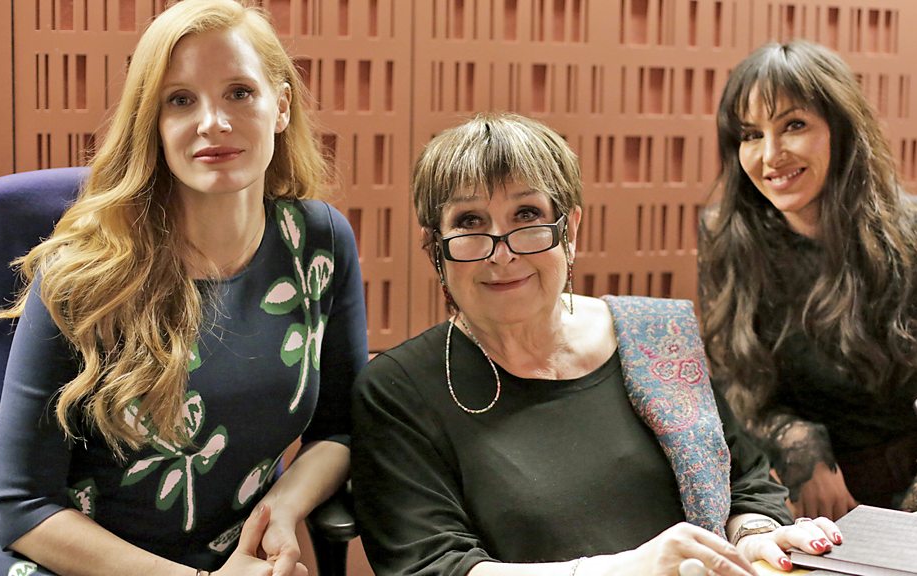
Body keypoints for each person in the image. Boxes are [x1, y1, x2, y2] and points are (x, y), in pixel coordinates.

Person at [351, 112, 840, 576]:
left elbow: (745, 480)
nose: (502, 252)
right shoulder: (398, 391)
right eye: (470, 222)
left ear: (570, 231)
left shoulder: (652, 335)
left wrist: (753, 537)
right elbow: (433, 566)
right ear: (434, 248)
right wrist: (631, 568)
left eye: (527, 214)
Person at [0, 1, 367, 574]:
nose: (213, 122)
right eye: (180, 100)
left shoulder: (319, 244)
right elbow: (24, 509)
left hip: (234, 559)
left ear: (281, 106)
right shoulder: (82, 273)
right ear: (154, 123)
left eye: (239, 92)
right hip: (75, 561)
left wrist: (280, 512)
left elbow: (338, 430)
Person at [697, 39, 917, 520]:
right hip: (797, 483)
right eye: (750, 134)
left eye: (794, 125)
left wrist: (894, 527)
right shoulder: (726, 236)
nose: (770, 155)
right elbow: (735, 387)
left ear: (842, 129)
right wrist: (798, 441)